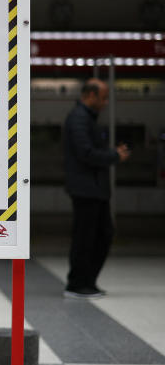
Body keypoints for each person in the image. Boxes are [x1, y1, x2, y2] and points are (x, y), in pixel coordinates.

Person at [63, 78, 130, 299]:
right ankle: (77, 284)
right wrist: (114, 156)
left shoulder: (86, 118)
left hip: (94, 189)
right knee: (85, 237)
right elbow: (86, 153)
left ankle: (87, 282)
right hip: (86, 189)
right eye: (103, 97)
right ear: (90, 95)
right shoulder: (79, 119)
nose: (105, 102)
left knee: (101, 235)